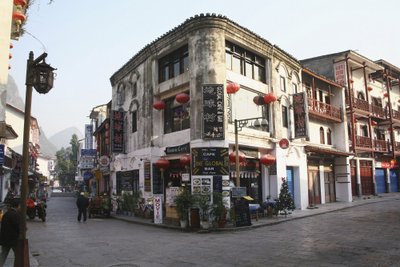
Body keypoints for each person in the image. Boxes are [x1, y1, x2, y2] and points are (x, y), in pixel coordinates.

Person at [0, 198, 20, 266]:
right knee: (18, 255)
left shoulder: (6, 214)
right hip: (13, 240)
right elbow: (18, 227)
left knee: (3, 255)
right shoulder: (15, 215)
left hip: (5, 239)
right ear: (17, 206)